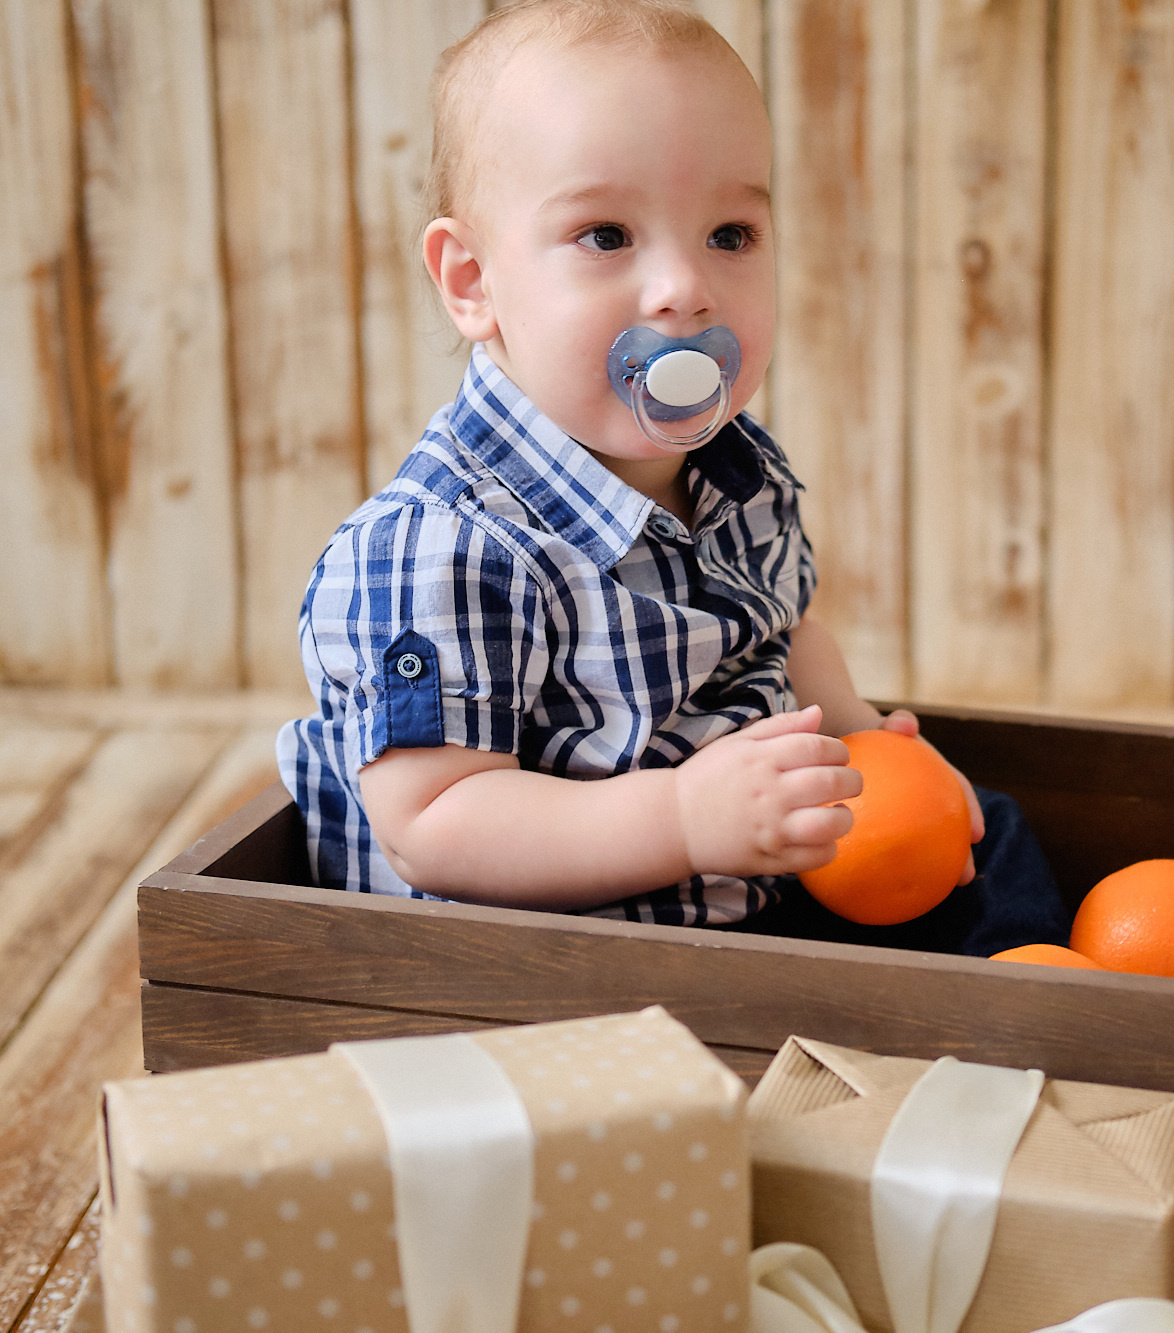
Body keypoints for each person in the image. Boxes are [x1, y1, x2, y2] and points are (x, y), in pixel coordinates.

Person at [278, 0, 1066, 956]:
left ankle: (1056, 1011)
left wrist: (857, 738)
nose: (684, 289)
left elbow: (785, 627)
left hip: (756, 890)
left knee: (995, 833)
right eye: (607, 235)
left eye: (729, 235)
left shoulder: (736, 468)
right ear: (473, 279)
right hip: (568, 960)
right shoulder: (444, 547)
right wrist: (685, 817)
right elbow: (433, 824)